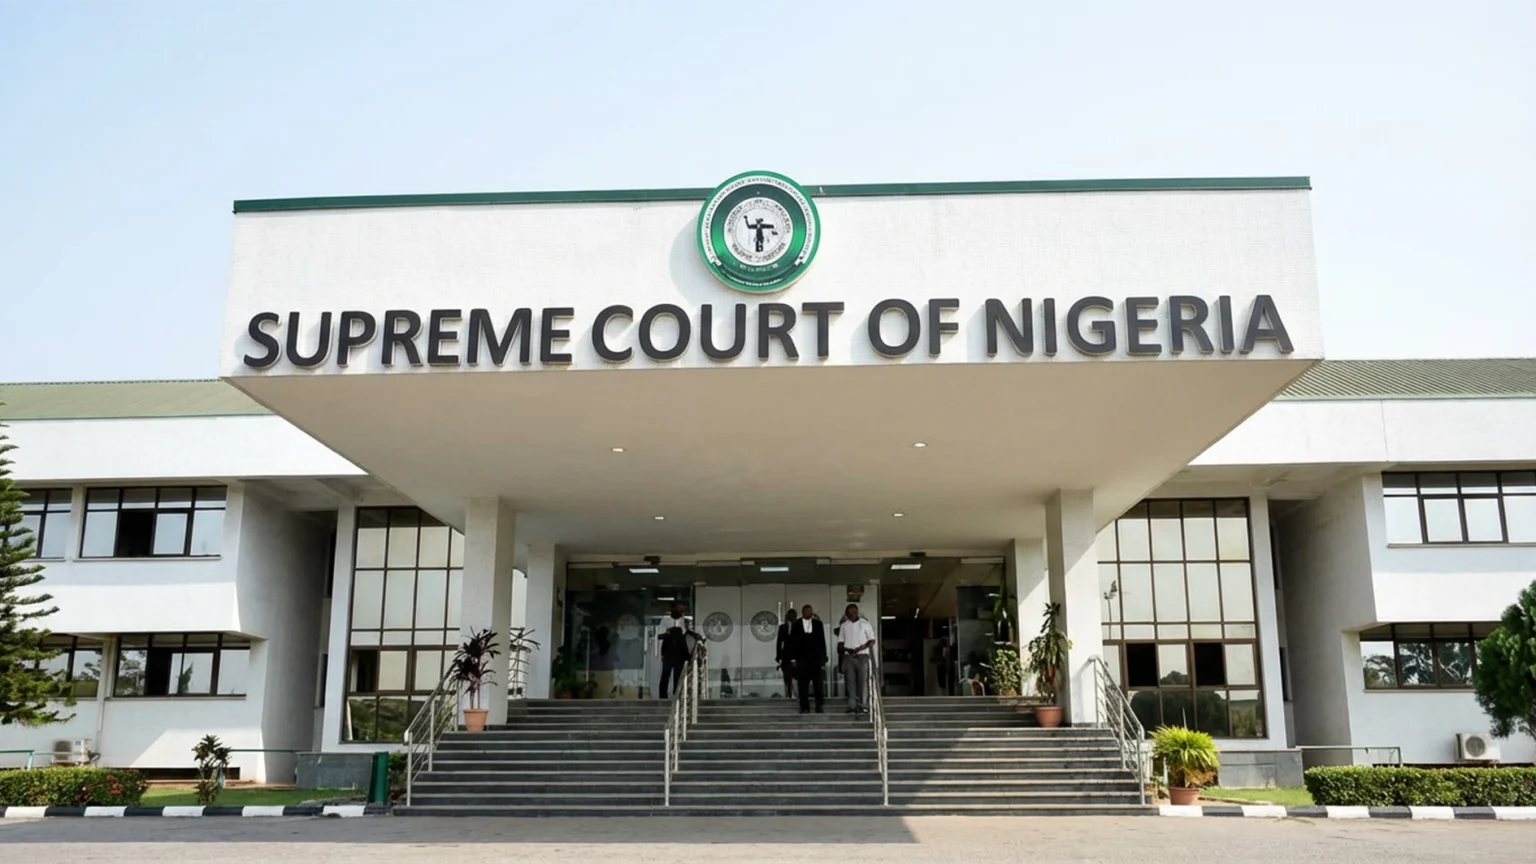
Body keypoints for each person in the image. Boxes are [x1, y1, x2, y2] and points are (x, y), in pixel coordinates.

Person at [784, 604, 827, 713]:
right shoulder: (796, 624)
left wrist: (823, 659)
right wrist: (793, 659)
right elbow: (792, 643)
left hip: (816, 659)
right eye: (806, 611)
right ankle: (804, 707)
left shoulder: (818, 624)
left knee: (818, 684)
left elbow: (822, 642)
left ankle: (819, 706)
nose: (808, 613)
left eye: (810, 611)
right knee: (802, 684)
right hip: (801, 659)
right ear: (802, 613)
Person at [838, 603, 876, 714]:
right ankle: (852, 705)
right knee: (850, 681)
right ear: (847, 614)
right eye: (850, 612)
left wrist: (860, 648)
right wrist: (847, 649)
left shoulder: (865, 624)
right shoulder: (844, 626)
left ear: (857, 612)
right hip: (848, 656)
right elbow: (840, 643)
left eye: (854, 611)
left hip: (862, 656)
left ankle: (863, 705)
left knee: (863, 681)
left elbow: (872, 640)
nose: (852, 614)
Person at [657, 602, 694, 699]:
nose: (681, 612)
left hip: (680, 653)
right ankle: (663, 696)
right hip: (668, 652)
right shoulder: (665, 620)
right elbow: (659, 636)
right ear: (673, 609)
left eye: (682, 610)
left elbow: (687, 634)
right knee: (665, 675)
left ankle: (677, 696)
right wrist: (667, 633)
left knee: (678, 676)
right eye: (679, 609)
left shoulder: (684, 621)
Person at [774, 609, 797, 699]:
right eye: (789, 616)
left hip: (797, 655)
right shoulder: (782, 627)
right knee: (787, 677)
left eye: (792, 616)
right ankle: (789, 694)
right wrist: (778, 656)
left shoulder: (799, 626)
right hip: (786, 655)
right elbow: (779, 642)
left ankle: (796, 694)